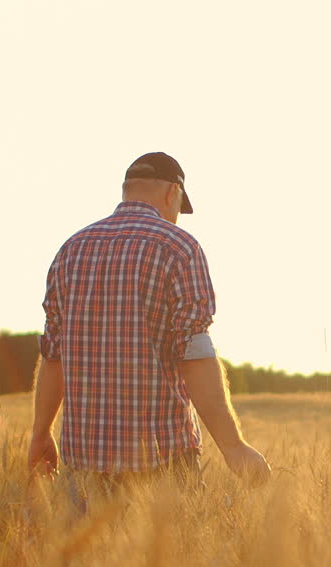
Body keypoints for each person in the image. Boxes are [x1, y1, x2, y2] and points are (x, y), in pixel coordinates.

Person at [27, 152, 271, 505]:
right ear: (173, 193)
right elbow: (195, 353)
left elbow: (53, 354)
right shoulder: (178, 247)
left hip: (83, 463)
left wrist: (41, 432)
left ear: (127, 191)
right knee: (171, 559)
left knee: (87, 559)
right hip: (163, 460)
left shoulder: (70, 250)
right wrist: (233, 447)